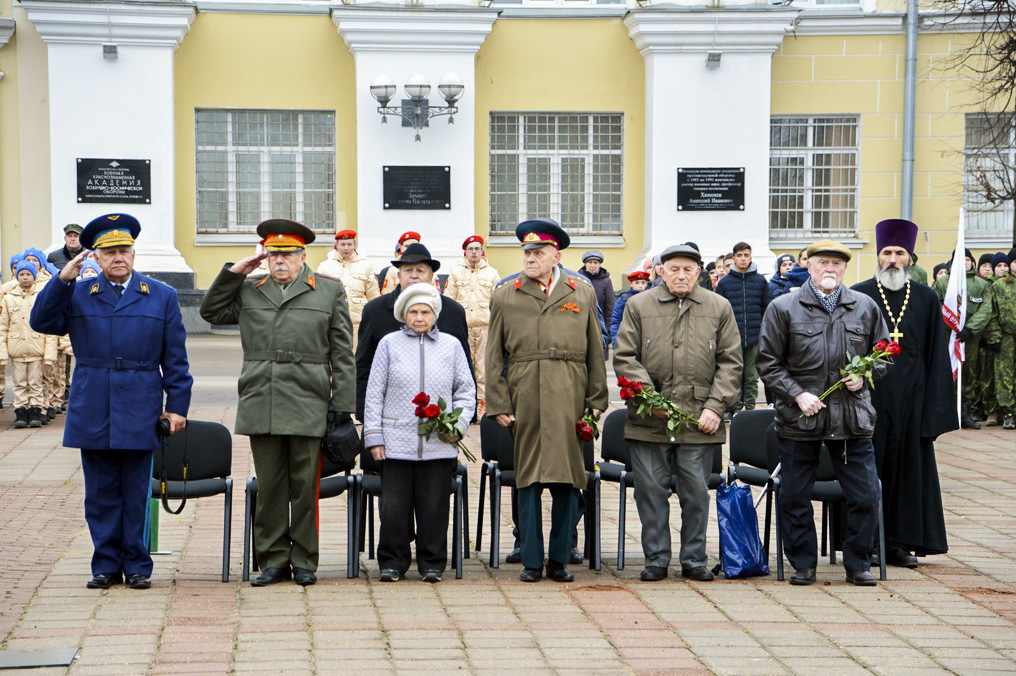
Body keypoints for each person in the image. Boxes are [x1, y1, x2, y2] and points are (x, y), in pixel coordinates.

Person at [31, 213, 192, 590]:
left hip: (141, 401)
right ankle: (104, 564)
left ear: (134, 254)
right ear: (96, 258)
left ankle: (137, 565)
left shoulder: (162, 295)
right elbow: (41, 321)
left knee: (136, 491)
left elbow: (176, 360)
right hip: (95, 401)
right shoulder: (79, 293)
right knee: (100, 494)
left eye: (124, 250)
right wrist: (62, 279)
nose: (118, 258)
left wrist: (177, 407)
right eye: (109, 252)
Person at [200, 218, 355, 587]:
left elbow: (343, 353)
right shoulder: (251, 289)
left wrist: (341, 404)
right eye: (273, 255)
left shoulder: (328, 291)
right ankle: (272, 560)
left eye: (287, 255)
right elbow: (211, 312)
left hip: (308, 397)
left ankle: (304, 560)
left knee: (304, 486)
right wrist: (237, 272)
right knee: (269, 487)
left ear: (303, 256)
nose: (279, 262)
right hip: (262, 395)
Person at [757, 239, 889, 587]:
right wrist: (797, 394)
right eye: (823, 263)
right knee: (795, 496)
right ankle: (803, 564)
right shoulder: (783, 307)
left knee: (865, 495)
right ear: (809, 266)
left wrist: (865, 376)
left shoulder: (864, 307)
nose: (830, 269)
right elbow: (768, 363)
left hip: (852, 421)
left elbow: (884, 354)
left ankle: (858, 561)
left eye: (837, 264)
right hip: (801, 420)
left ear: (845, 269)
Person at [485, 218, 608, 583]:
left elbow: (595, 349)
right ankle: (531, 560)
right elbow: (493, 356)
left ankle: (559, 560)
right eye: (527, 252)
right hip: (525, 392)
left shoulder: (580, 291)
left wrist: (597, 399)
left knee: (568, 479)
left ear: (557, 255)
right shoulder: (506, 293)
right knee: (529, 479)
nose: (531, 258)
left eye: (538, 252)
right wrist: (498, 403)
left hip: (570, 391)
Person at [614, 244, 742, 582]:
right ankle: (656, 559)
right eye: (674, 269)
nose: (681, 275)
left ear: (699, 272)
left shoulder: (718, 307)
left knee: (696, 493)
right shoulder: (638, 305)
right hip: (649, 418)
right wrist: (650, 399)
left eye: (688, 269)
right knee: (650, 491)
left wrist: (716, 407)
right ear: (661, 271)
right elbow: (625, 356)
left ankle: (694, 559)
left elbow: (731, 363)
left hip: (700, 418)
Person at [852, 219, 957, 568]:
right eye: (886, 253)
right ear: (878, 256)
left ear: (910, 257)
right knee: (870, 471)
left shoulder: (926, 297)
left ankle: (898, 543)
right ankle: (864, 542)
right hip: (870, 400)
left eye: (899, 253)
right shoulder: (860, 294)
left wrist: (935, 409)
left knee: (907, 473)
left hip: (913, 402)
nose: (892, 259)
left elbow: (936, 355)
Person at [364, 283, 476, 583]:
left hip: (439, 441)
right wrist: (374, 436)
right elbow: (374, 392)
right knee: (394, 507)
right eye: (413, 312)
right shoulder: (389, 343)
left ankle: (432, 563)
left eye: (425, 312)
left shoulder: (451, 345)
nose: (419, 317)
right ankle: (392, 562)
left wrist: (459, 425)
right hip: (395, 441)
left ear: (434, 314)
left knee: (434, 505)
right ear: (404, 314)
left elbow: (466, 392)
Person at [356, 242, 473, 423]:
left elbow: (464, 366)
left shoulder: (452, 311)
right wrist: (364, 413)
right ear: (398, 275)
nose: (413, 276)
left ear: (432, 276)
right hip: (388, 416)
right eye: (408, 270)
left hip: (437, 418)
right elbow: (363, 365)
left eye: (420, 270)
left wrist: (463, 418)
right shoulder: (375, 310)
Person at [933, 248, 993, 428]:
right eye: (961, 259)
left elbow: (986, 310)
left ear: (972, 263)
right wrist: (949, 325)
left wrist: (969, 329)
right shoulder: (943, 283)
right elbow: (936, 304)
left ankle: (965, 412)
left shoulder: (981, 285)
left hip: (969, 338)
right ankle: (945, 412)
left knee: (968, 373)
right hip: (946, 336)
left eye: (968, 259)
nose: (965, 262)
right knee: (945, 371)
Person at [444, 235, 500, 418]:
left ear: (482, 251)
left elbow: (497, 302)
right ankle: (465, 409)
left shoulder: (492, 273)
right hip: (463, 329)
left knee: (483, 369)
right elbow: (448, 301)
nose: (474, 252)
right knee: (463, 369)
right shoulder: (456, 273)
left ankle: (482, 407)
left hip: (485, 328)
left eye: (477, 248)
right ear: (465, 252)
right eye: (471, 249)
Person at [715, 241, 772, 413]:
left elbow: (767, 309)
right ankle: (736, 409)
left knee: (751, 377)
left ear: (750, 257)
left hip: (754, 338)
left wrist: (764, 333)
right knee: (734, 376)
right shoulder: (725, 284)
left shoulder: (760, 281)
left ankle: (749, 410)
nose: (743, 259)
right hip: (732, 339)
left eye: (746, 255)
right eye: (739, 255)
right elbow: (720, 313)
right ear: (733, 258)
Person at [1, 259, 57, 428]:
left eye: (28, 274)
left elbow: (50, 328)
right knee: (19, 383)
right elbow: (3, 327)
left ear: (35, 276)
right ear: (17, 276)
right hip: (17, 350)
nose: (25, 278)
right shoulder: (9, 298)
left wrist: (49, 355)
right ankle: (21, 411)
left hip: (36, 349)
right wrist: (3, 353)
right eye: (21, 274)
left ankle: (35, 410)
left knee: (36, 382)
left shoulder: (41, 297)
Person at [315, 229, 380, 352]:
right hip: (333, 320)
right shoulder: (325, 266)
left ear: (355, 245)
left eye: (349, 244)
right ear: (336, 246)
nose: (346, 248)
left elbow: (373, 296)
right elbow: (319, 295)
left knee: (358, 356)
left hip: (359, 322)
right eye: (343, 244)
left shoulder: (365, 266)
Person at [986, 248, 1016, 429]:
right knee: (1004, 376)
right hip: (1006, 338)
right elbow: (993, 314)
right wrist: (995, 337)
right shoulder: (999, 286)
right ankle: (1009, 412)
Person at [578, 250, 615, 357]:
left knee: (598, 362)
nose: (593, 265)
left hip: (600, 328)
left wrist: (607, 332)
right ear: (585, 264)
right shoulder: (578, 279)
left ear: (599, 264)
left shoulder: (606, 282)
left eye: (596, 262)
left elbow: (610, 308)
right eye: (590, 262)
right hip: (582, 327)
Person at [610, 270, 650, 347]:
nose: (640, 286)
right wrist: (616, 342)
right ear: (631, 284)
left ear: (647, 284)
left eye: (643, 282)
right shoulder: (623, 299)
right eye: (637, 283)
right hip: (628, 338)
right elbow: (616, 322)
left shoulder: (651, 298)